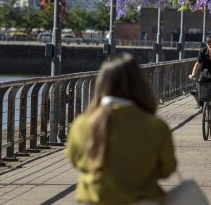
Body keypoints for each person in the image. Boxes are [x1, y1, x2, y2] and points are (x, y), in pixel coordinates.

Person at [66, 53, 176, 205]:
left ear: (101, 84)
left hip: (93, 198)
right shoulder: (155, 126)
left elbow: (75, 160)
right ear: (140, 84)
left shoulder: (81, 124)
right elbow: (167, 169)